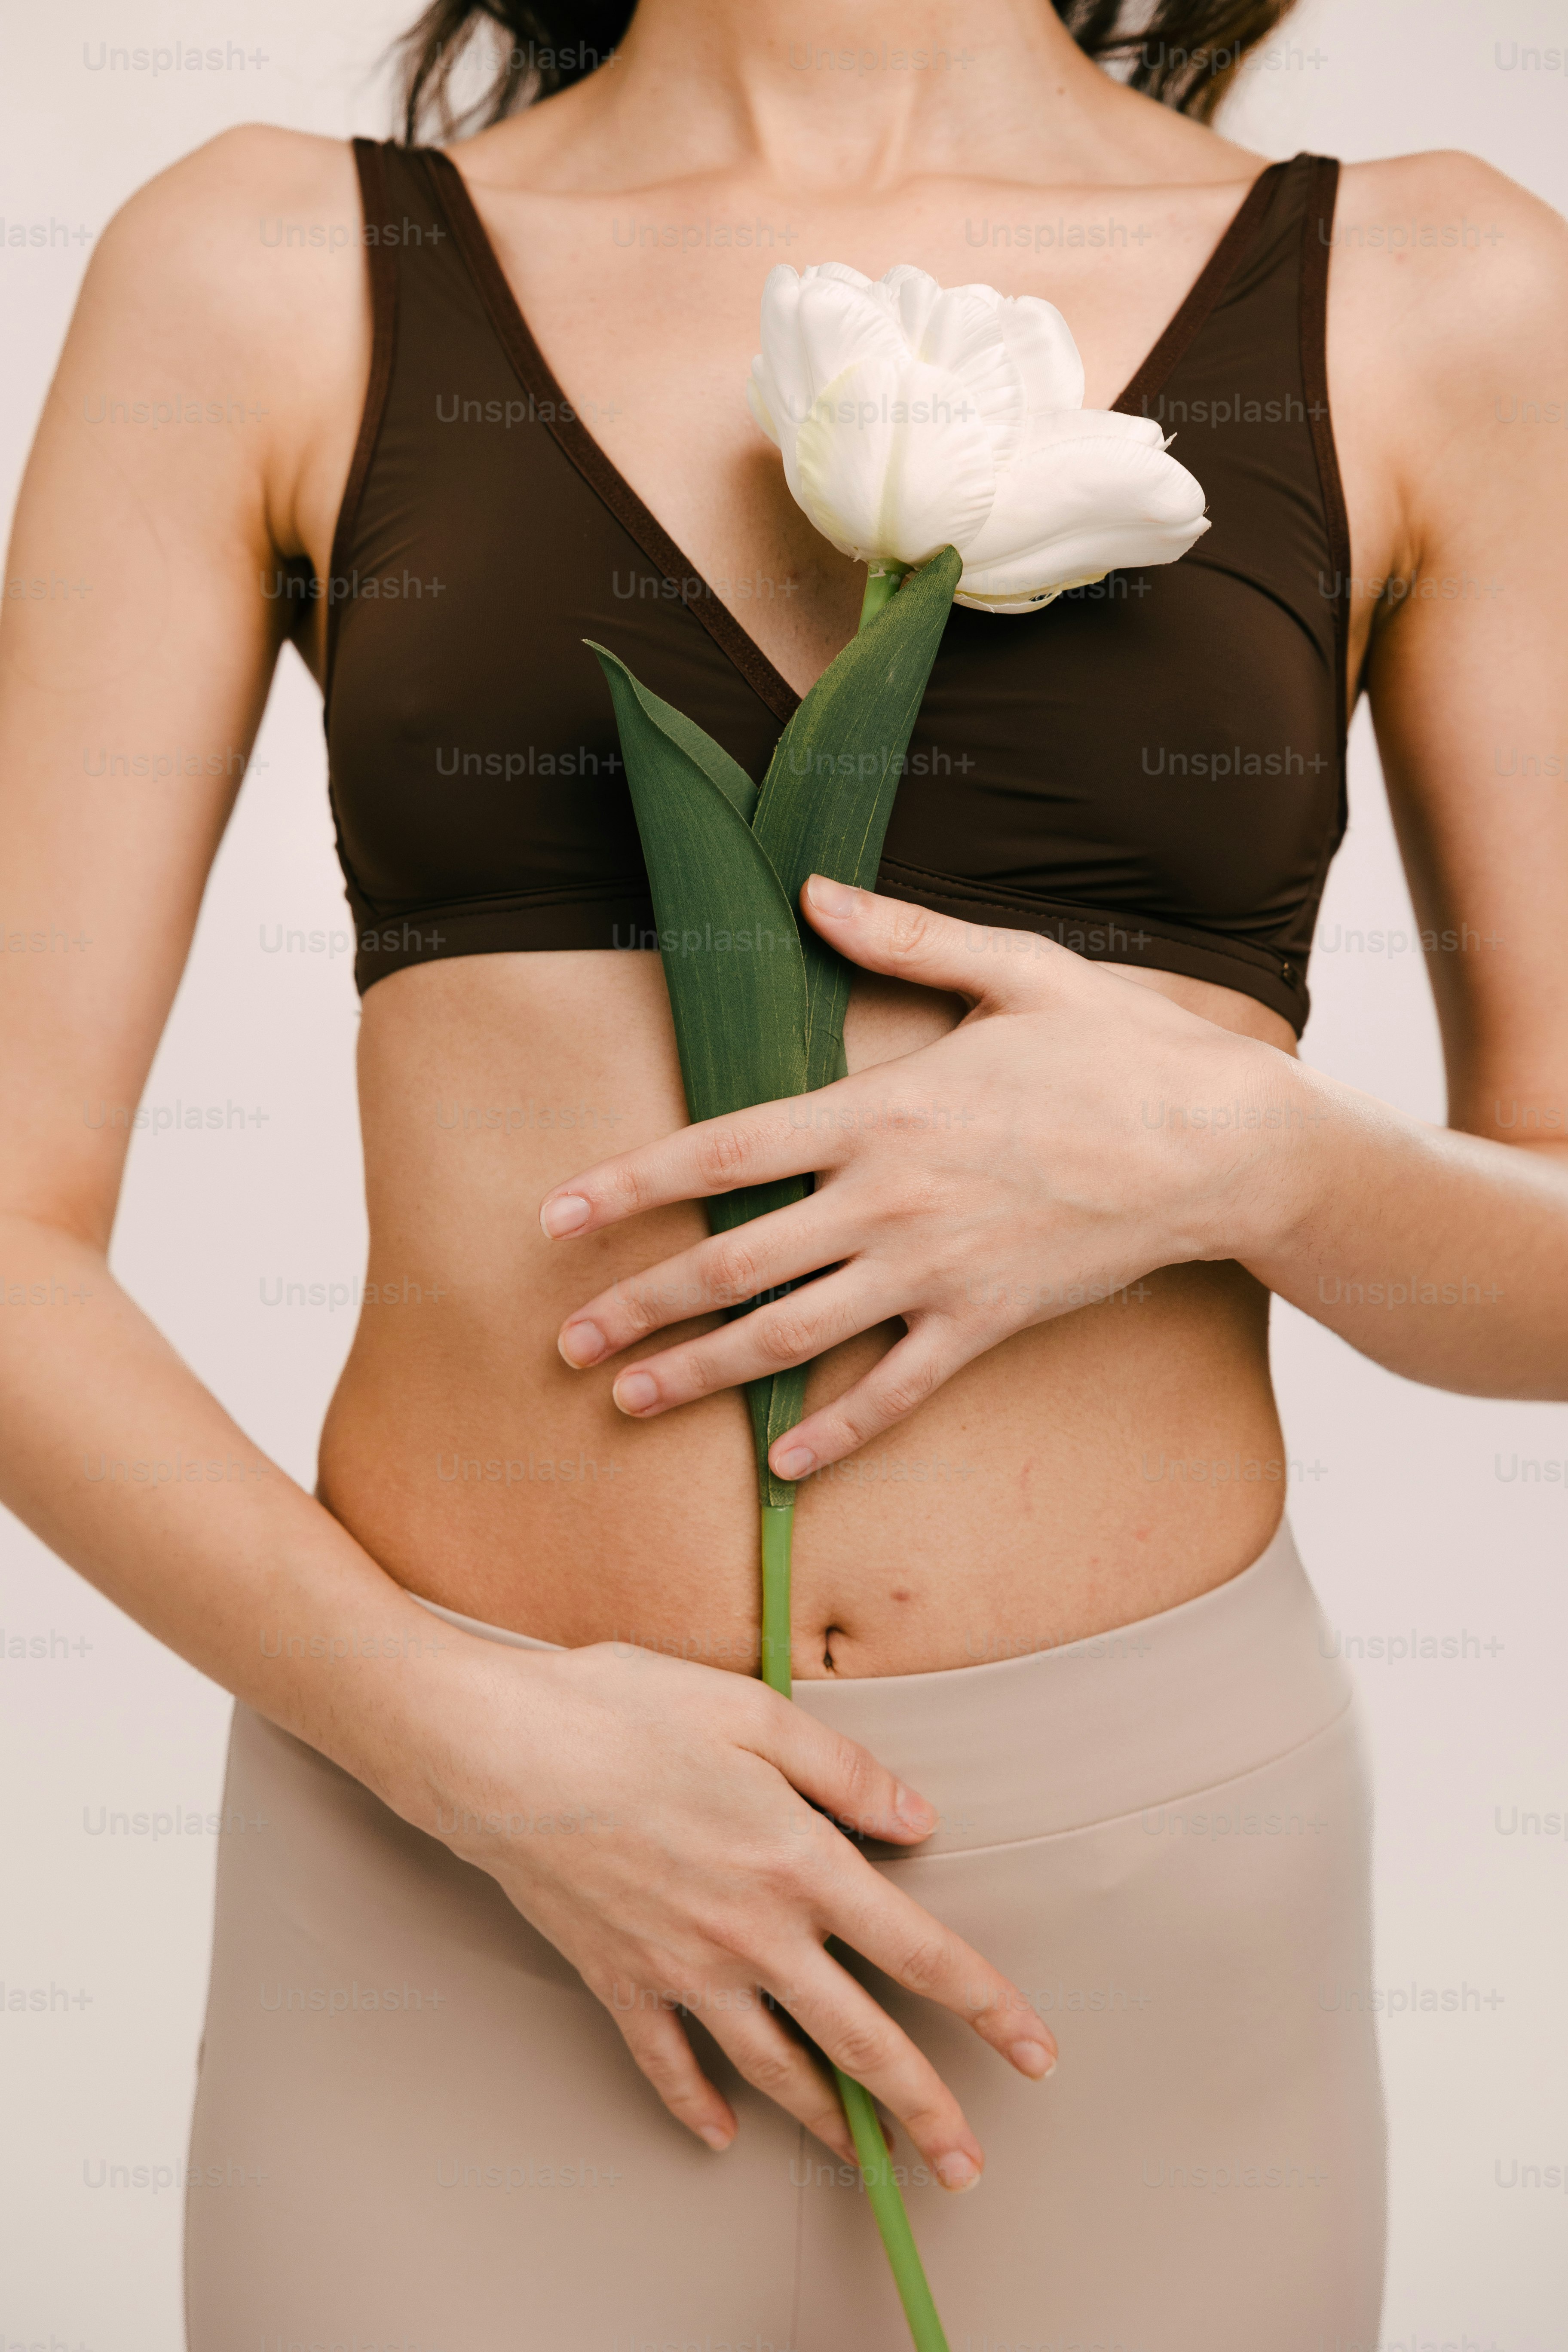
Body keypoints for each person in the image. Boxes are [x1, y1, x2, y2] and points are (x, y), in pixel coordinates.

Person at [2, 0, 1564, 2342]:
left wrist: (1249, 1158)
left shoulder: (1443, 295)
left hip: (1140, 1914)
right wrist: (467, 1745)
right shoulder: (264, 267)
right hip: (456, 1869)